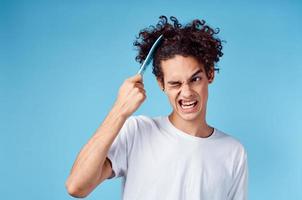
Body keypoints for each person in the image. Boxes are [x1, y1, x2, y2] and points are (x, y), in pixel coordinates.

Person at [65, 15, 248, 200]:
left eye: (195, 79)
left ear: (210, 74)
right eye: (175, 83)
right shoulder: (137, 132)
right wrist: (119, 110)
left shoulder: (233, 151)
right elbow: (76, 186)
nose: (186, 93)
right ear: (161, 83)